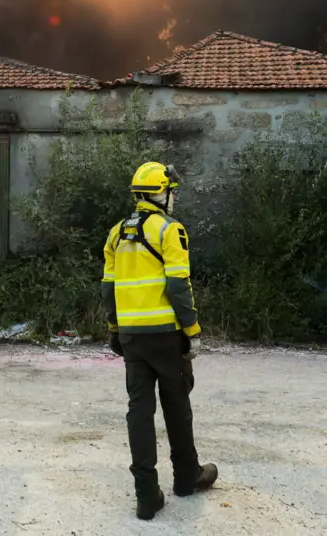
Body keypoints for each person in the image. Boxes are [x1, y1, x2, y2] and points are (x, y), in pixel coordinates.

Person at [102, 161, 218, 521]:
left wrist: (114, 328)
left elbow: (109, 288)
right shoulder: (170, 230)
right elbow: (178, 286)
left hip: (132, 337)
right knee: (177, 404)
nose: (174, 197)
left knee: (139, 411)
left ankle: (146, 495)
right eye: (172, 190)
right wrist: (193, 330)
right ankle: (186, 477)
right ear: (159, 192)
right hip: (167, 335)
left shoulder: (117, 233)